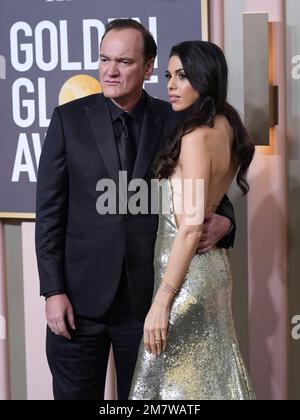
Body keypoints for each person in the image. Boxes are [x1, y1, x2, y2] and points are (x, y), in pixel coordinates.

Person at [35, 20, 236, 400]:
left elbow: (209, 191)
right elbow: (49, 211)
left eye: (124, 62)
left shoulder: (178, 119)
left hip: (149, 305)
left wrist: (227, 221)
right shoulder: (69, 120)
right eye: (104, 59)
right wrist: (52, 290)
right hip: (78, 302)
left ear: (147, 68)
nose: (110, 71)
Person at [129, 41, 256, 400]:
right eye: (168, 76)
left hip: (185, 279)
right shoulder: (227, 128)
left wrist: (161, 302)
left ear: (205, 78)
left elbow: (188, 227)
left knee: (171, 388)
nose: (170, 84)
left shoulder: (195, 137)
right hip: (211, 269)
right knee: (210, 381)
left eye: (182, 76)